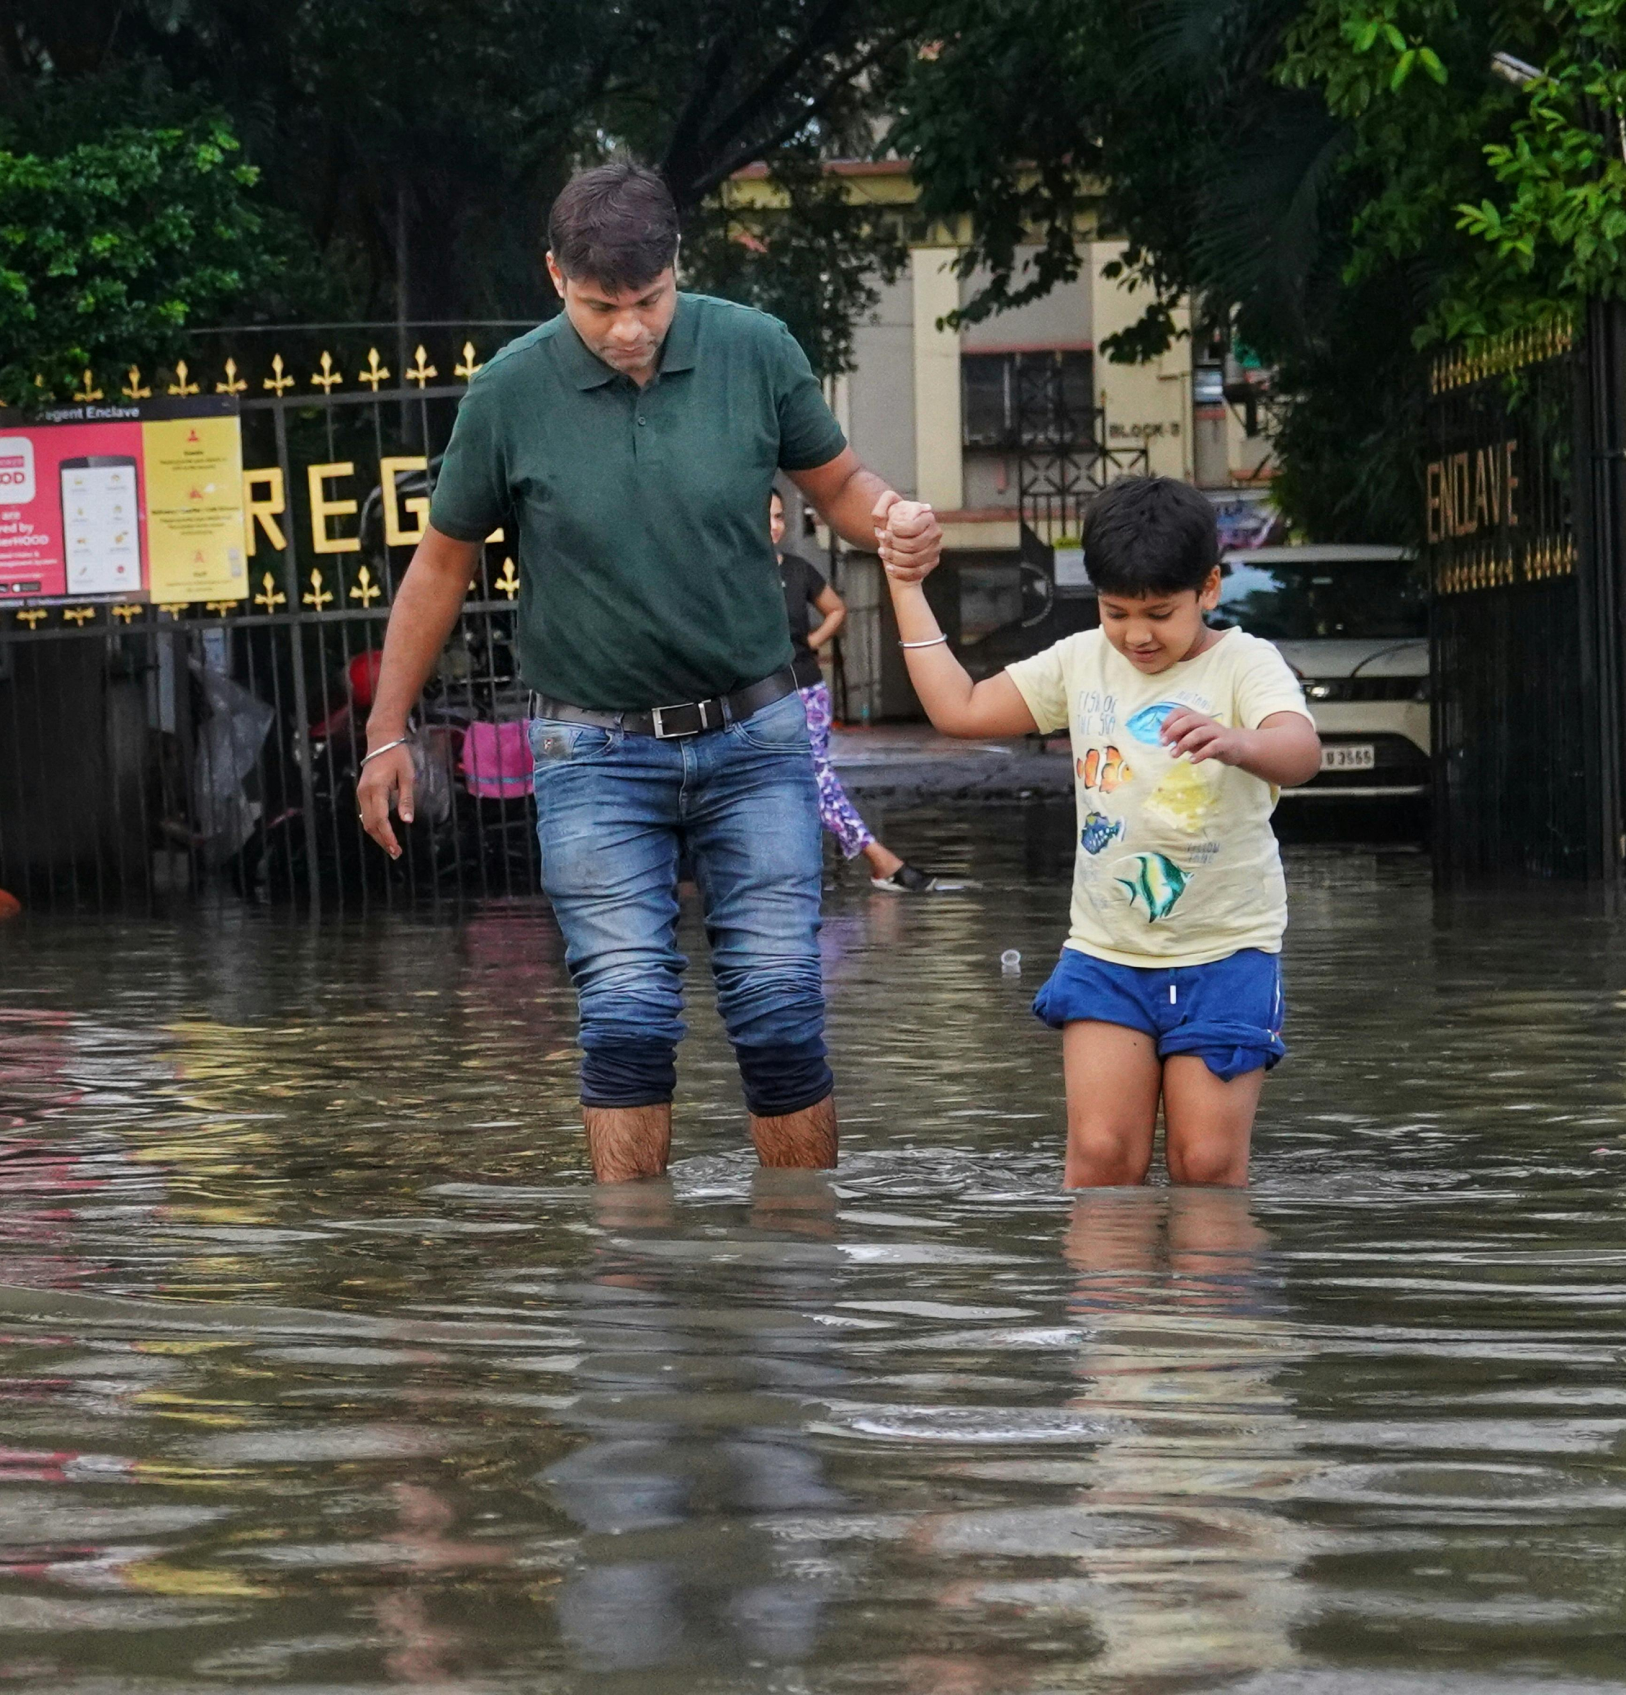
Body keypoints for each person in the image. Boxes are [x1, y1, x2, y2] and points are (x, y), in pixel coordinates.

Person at [356, 160, 941, 1184]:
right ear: (554, 279)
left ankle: (798, 1272)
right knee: (624, 1011)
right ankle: (632, 1284)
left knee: (778, 1005)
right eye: (600, 308)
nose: (629, 329)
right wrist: (385, 732)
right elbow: (440, 566)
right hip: (591, 749)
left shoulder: (754, 350)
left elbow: (840, 482)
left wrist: (894, 519)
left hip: (756, 737)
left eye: (649, 302)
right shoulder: (507, 394)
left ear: (680, 269)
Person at [879, 475, 1321, 1189]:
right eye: (1116, 611)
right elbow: (958, 708)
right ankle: (1108, 1303)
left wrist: (1236, 740)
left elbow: (1300, 752)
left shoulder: (1246, 664)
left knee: (1204, 1164)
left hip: (1227, 952)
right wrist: (904, 584)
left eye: (1159, 612)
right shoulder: (1082, 659)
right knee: (1102, 1157)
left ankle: (1214, 1302)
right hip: (1106, 954)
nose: (1136, 634)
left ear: (1208, 588)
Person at [769, 490, 939, 893]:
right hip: (756, 697)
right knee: (779, 784)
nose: (773, 526)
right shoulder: (732, 572)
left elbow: (837, 609)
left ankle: (878, 859)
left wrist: (811, 642)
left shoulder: (797, 570)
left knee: (815, 777)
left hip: (805, 691)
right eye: (765, 518)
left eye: (779, 517)